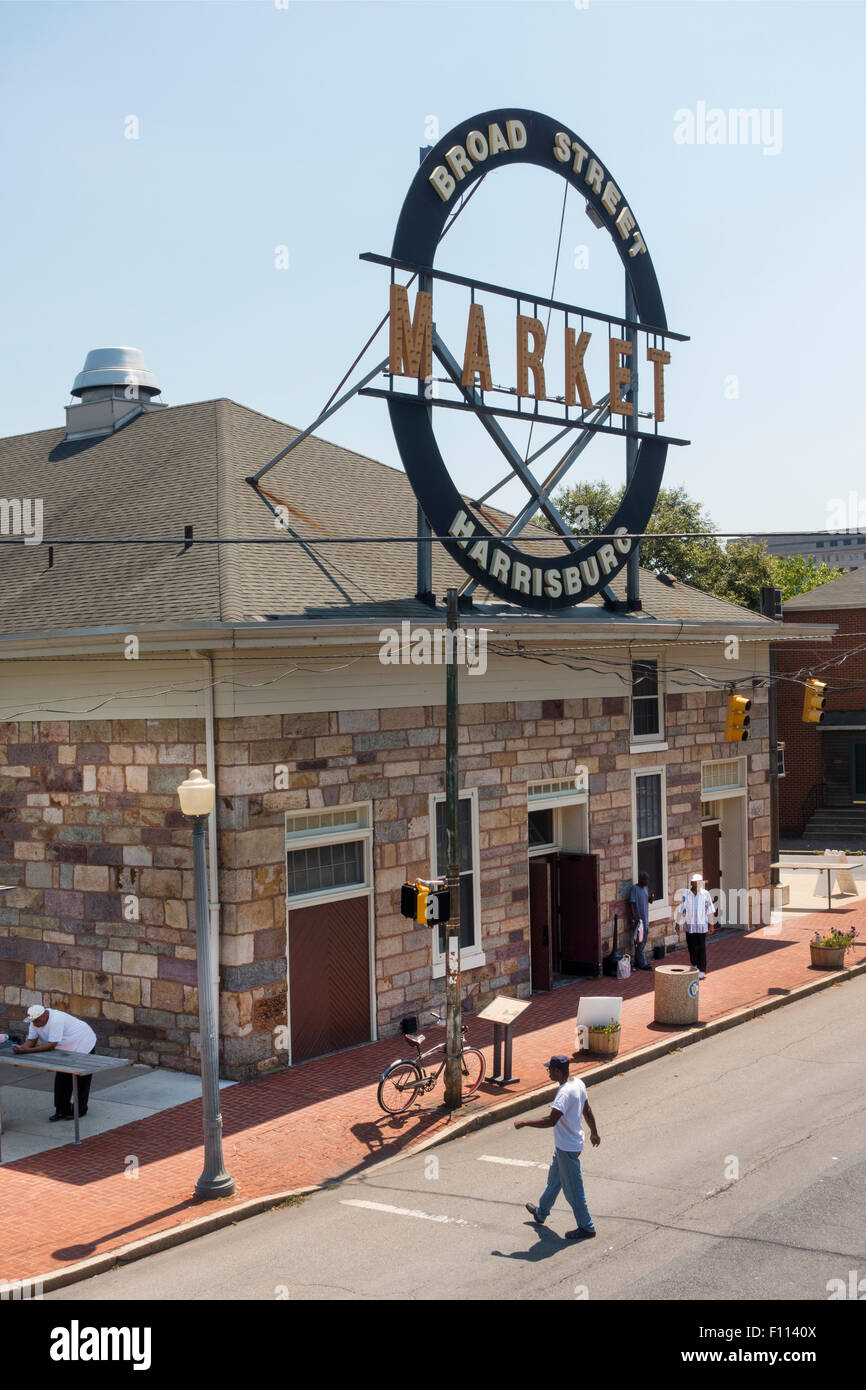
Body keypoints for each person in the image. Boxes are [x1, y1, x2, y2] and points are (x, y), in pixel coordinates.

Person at [514, 1055, 601, 1239]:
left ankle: (587, 1226)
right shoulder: (578, 1083)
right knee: (555, 1179)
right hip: (570, 1144)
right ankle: (541, 1212)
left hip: (568, 1148)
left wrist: (524, 1122)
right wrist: (594, 1131)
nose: (548, 1073)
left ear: (558, 1071)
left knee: (573, 1190)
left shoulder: (564, 1093)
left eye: (550, 1070)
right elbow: (587, 1109)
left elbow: (551, 1120)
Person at [12, 1002, 97, 1121]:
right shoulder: (34, 1022)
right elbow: (31, 1040)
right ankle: (61, 1110)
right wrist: (23, 1047)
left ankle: (80, 1110)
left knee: (81, 1080)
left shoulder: (56, 1019)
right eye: (33, 1021)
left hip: (84, 1044)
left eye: (37, 1020)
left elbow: (51, 1045)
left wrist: (27, 1051)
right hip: (65, 1050)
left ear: (44, 1015)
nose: (35, 1023)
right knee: (62, 1079)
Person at [675, 872, 716, 979]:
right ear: (692, 883)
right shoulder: (686, 894)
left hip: (702, 926)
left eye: (699, 883)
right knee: (691, 947)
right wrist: (678, 922)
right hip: (690, 926)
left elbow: (710, 910)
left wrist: (711, 925)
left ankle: (702, 969)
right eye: (695, 883)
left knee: (701, 948)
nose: (697, 885)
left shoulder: (705, 894)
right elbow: (681, 909)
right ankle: (694, 965)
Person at [628, 871, 653, 970]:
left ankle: (639, 961)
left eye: (647, 879)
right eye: (645, 879)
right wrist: (635, 917)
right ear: (640, 879)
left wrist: (652, 895)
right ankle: (642, 963)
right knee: (640, 941)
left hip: (645, 919)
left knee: (643, 940)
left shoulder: (646, 888)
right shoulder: (634, 889)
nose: (647, 881)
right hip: (639, 921)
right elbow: (632, 903)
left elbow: (650, 901)